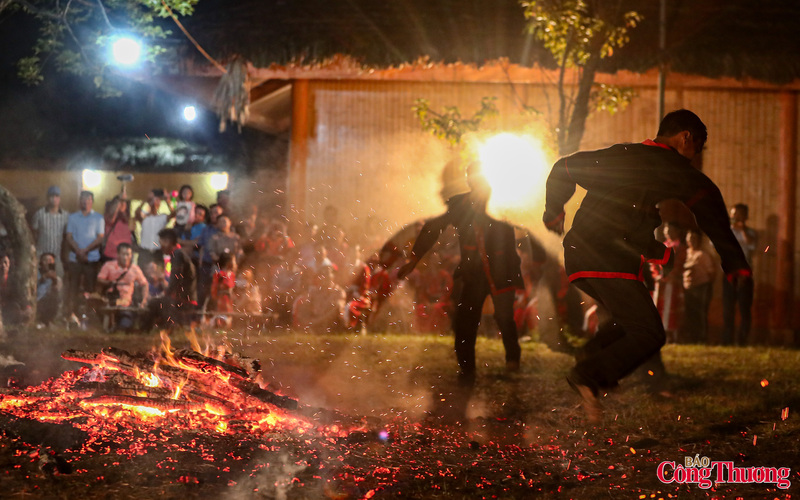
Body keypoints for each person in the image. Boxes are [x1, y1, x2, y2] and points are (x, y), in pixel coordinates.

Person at [542, 109, 751, 422]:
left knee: (627, 321)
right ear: (686, 138)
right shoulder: (673, 167)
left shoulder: (619, 155)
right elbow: (710, 207)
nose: (695, 157)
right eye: (698, 148)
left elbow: (564, 167)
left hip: (577, 254)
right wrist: (735, 262)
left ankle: (592, 357)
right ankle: (588, 374)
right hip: (607, 258)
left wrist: (554, 209)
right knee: (650, 334)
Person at [398, 162, 524, 383]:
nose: (473, 181)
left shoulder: (501, 204)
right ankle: (467, 370)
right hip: (474, 274)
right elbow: (432, 227)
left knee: (504, 317)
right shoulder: (460, 205)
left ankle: (512, 362)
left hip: (502, 271)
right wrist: (414, 258)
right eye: (470, 177)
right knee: (465, 320)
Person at [141, 229, 197, 331]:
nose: (160, 246)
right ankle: (156, 329)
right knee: (159, 301)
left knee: (155, 303)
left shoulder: (177, 255)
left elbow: (176, 279)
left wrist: (166, 293)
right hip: (185, 297)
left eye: (161, 242)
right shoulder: (178, 254)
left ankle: (148, 331)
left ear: (167, 241)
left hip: (183, 299)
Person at [64, 190, 105, 320]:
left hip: (91, 258)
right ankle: (72, 314)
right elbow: (69, 237)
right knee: (73, 287)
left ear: (92, 201)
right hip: (75, 258)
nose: (85, 202)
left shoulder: (98, 218)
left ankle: (89, 314)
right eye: (83, 199)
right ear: (79, 201)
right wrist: (79, 251)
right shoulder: (73, 217)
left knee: (90, 287)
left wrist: (86, 250)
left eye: (88, 199)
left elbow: (100, 238)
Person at [722, 203, 757, 346]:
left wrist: (742, 231)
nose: (736, 217)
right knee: (728, 309)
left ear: (746, 216)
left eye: (740, 214)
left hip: (745, 274)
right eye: (734, 214)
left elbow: (752, 246)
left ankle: (742, 341)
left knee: (744, 308)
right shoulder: (725, 231)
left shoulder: (751, 233)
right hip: (730, 273)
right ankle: (727, 341)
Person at [97, 242, 149, 331]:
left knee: (126, 324)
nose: (125, 257)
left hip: (126, 303)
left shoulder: (135, 269)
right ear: (117, 255)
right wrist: (110, 283)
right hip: (110, 301)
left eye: (128, 254)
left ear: (131, 255)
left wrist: (144, 301)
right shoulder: (108, 265)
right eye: (123, 254)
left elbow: (144, 284)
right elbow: (99, 280)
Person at [651, 222, 686, 343]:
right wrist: (657, 276)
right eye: (666, 229)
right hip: (661, 283)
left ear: (677, 232)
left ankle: (673, 335)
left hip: (673, 283)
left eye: (671, 229)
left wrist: (670, 276)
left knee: (672, 309)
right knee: (660, 307)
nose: (668, 232)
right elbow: (654, 264)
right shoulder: (662, 246)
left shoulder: (681, 248)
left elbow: (681, 264)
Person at [681, 230, 716, 343]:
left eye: (694, 238)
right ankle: (691, 337)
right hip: (688, 287)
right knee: (690, 313)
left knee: (700, 313)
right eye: (689, 238)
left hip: (701, 286)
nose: (692, 241)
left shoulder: (703, 255)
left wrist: (706, 286)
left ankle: (701, 338)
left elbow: (711, 273)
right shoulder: (686, 253)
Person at [30, 185, 69, 278]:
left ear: (59, 198)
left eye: (56, 196)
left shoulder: (66, 216)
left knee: (59, 280)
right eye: (51, 196)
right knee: (37, 280)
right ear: (47, 198)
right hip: (40, 255)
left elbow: (67, 237)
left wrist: (66, 257)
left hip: (57, 256)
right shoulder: (39, 214)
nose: (54, 199)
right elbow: (33, 234)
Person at [134, 188, 170, 270]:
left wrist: (168, 200)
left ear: (160, 204)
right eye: (153, 200)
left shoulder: (162, 217)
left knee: (158, 276)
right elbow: (137, 212)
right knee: (142, 276)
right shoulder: (144, 217)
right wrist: (146, 200)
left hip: (157, 252)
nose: (155, 203)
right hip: (144, 252)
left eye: (157, 200)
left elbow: (174, 213)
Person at [102, 195, 132, 263]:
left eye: (124, 203)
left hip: (125, 255)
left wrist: (122, 210)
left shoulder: (127, 218)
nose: (122, 204)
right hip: (110, 254)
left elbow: (130, 223)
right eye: (120, 203)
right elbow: (111, 219)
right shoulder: (108, 217)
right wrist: (117, 207)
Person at [35, 253, 62, 327]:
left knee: (54, 298)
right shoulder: (35, 273)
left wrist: (54, 280)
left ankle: (49, 321)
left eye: (50, 260)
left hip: (48, 301)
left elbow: (58, 290)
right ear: (41, 262)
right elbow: (32, 285)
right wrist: (44, 277)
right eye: (45, 260)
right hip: (37, 300)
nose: (48, 262)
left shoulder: (56, 276)